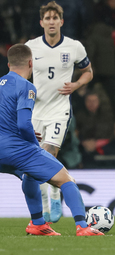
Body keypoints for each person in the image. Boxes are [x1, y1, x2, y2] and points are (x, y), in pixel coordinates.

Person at [0, 44, 103, 236]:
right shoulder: (26, 86)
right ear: (31, 63)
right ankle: (82, 226)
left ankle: (37, 223)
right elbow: (23, 124)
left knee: (29, 175)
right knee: (67, 180)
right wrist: (32, 145)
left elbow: (9, 122)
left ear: (8, 64)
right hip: (17, 149)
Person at [25, 1, 93, 223]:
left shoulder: (74, 46)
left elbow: (88, 72)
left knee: (48, 152)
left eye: (55, 18)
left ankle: (52, 199)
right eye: (48, 18)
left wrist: (76, 85)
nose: (51, 21)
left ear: (61, 22)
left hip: (59, 110)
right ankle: (53, 193)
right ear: (41, 22)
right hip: (35, 112)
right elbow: (21, 75)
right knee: (35, 160)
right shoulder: (31, 47)